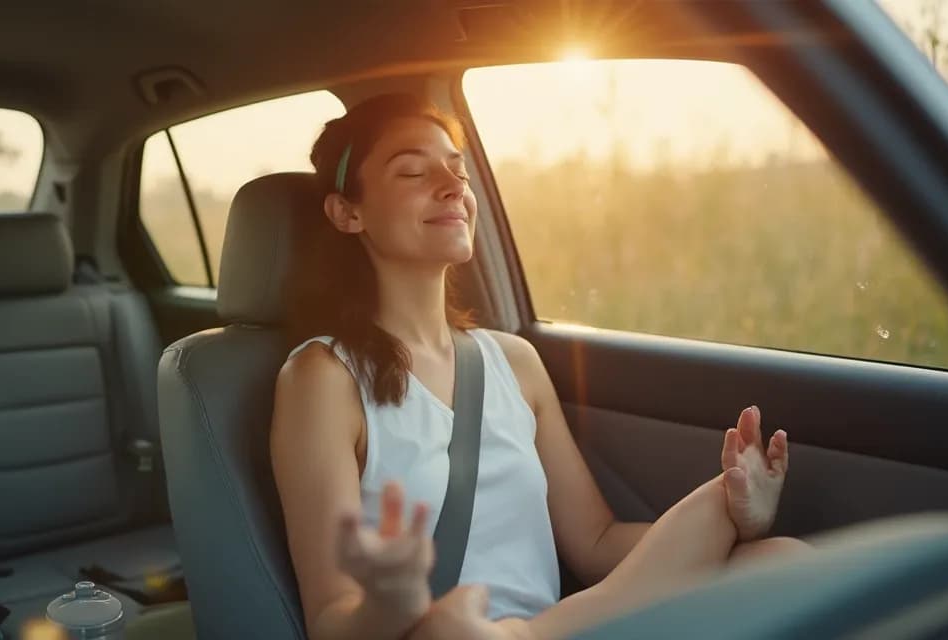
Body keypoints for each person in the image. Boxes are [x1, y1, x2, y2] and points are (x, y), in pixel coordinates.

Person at [269, 92, 805, 640]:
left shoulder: (514, 363)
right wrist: (392, 605)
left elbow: (596, 544)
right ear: (348, 212)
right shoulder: (323, 378)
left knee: (782, 562)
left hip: (556, 627)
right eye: (412, 172)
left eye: (458, 170)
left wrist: (739, 521)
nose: (453, 186)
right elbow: (332, 620)